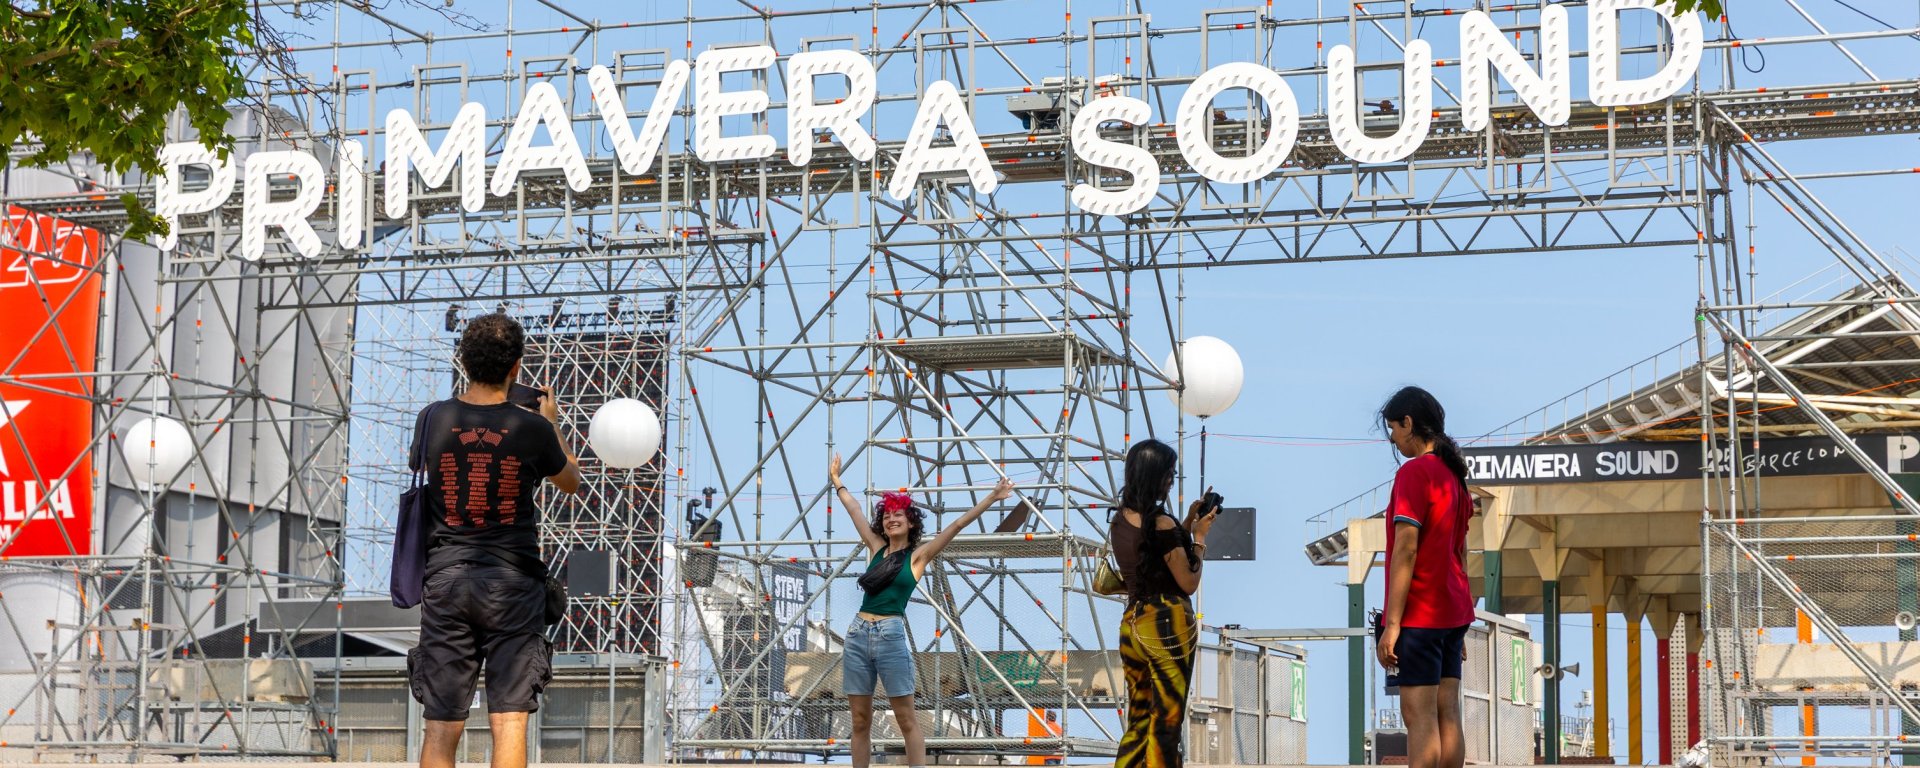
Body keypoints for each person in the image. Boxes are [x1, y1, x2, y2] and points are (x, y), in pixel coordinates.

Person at [409, 312, 583, 768]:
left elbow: (421, 466)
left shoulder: (432, 419)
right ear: (516, 367)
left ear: (464, 362)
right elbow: (570, 480)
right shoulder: (533, 428)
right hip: (512, 583)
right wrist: (551, 422)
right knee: (509, 721)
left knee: (440, 726)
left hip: (445, 579)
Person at [829, 453, 1015, 768]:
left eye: (898, 515)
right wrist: (837, 481)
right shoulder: (876, 548)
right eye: (887, 515)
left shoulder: (918, 557)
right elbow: (854, 509)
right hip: (858, 633)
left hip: (889, 635)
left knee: (906, 718)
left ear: (911, 522)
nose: (891, 519)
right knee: (859, 719)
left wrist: (993, 497)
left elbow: (957, 525)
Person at [1376, 386, 1475, 768]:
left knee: (1418, 716)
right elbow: (1461, 552)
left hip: (1420, 612)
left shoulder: (1415, 472)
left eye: (1393, 428)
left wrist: (1392, 625)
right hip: (1452, 610)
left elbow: (1406, 548)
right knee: (1447, 713)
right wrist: (1458, 621)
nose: (1393, 438)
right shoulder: (1454, 477)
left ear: (1409, 422)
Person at [1110, 438, 1219, 768]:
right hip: (1166, 625)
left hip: (1132, 624)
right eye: (1169, 473)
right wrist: (1199, 538)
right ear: (1154, 476)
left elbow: (1153, 554)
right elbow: (1187, 581)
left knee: (1139, 719)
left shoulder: (1120, 520)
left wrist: (1185, 524)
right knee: (1167, 722)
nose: (1172, 480)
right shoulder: (1161, 523)